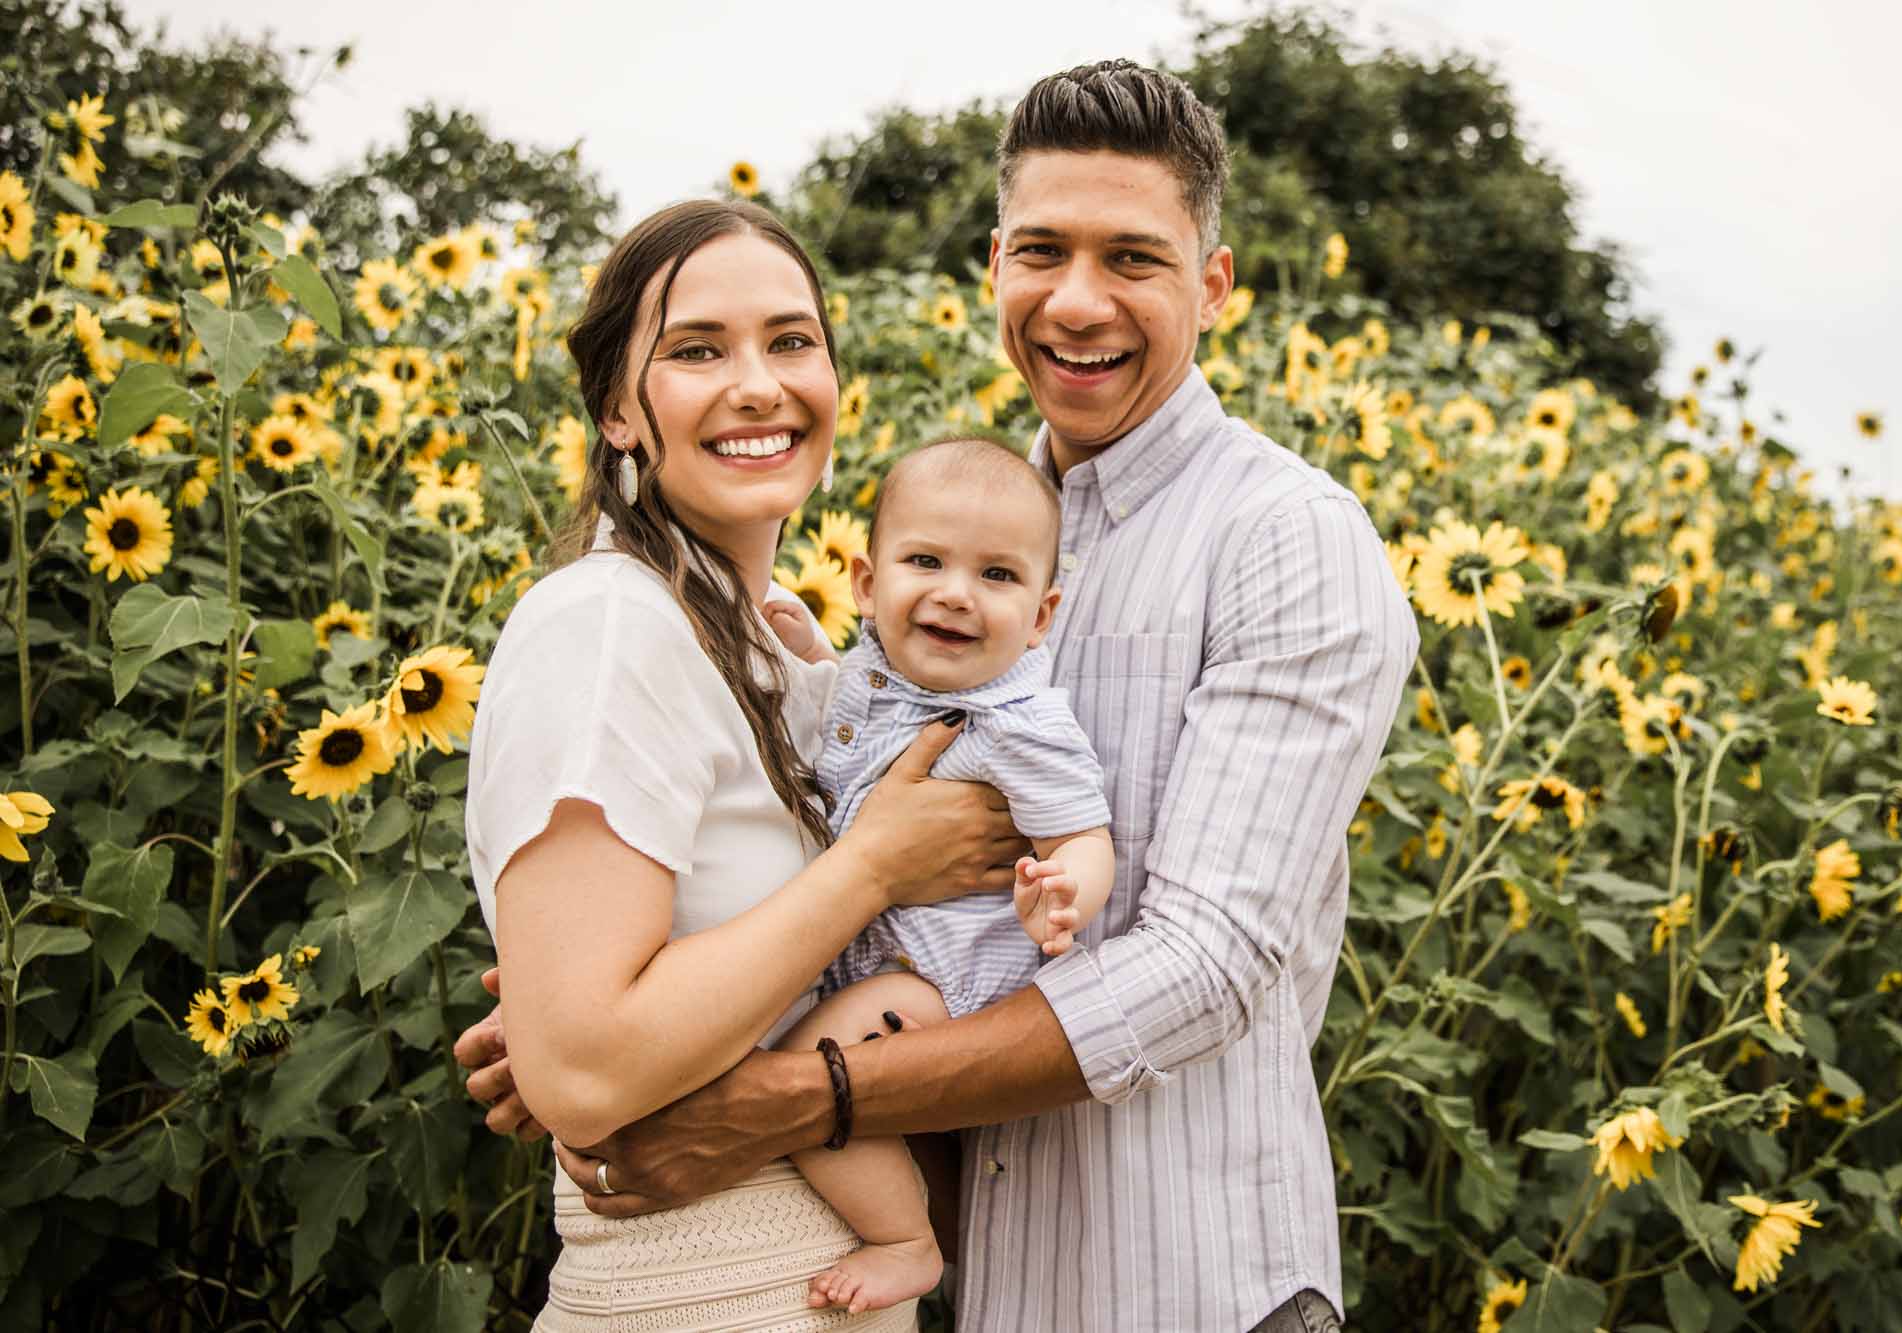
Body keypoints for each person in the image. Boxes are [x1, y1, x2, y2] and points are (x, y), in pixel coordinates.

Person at [461, 60, 1417, 1331]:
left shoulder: (1282, 539)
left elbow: (1204, 965)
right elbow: (831, 867)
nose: (1077, 302)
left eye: (1132, 258)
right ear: (993, 268)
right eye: (1042, 252)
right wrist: (604, 1032)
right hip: (971, 1277)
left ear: (1213, 284)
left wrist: (795, 1092)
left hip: (1177, 1277)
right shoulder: (959, 541)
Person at [462, 196, 1024, 1329]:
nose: (758, 383)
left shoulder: (768, 644)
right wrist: (869, 869)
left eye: (790, 340)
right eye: (696, 350)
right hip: (702, 1292)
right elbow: (582, 1074)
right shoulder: (608, 626)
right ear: (619, 410)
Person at [765, 436, 1116, 1314]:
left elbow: (1085, 832)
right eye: (926, 561)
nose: (957, 592)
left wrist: (1063, 892)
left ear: (1041, 615)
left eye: (998, 576)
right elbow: (847, 729)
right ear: (868, 584)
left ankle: (905, 1238)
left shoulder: (1019, 721)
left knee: (800, 1072)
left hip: (941, 987)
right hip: (872, 959)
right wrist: (813, 654)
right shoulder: (873, 670)